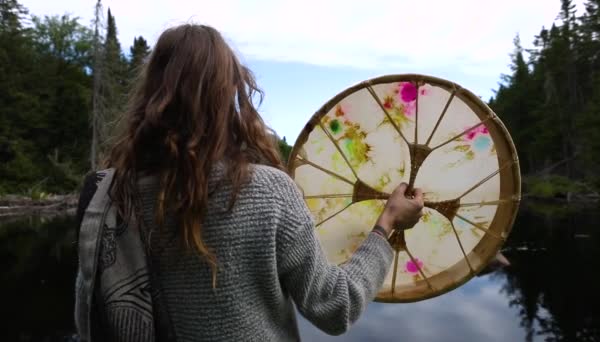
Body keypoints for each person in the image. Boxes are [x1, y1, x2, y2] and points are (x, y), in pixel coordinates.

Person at [74, 24, 424, 342]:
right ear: (228, 93)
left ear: (152, 93)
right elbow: (335, 308)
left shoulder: (113, 194)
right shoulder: (269, 192)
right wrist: (387, 225)